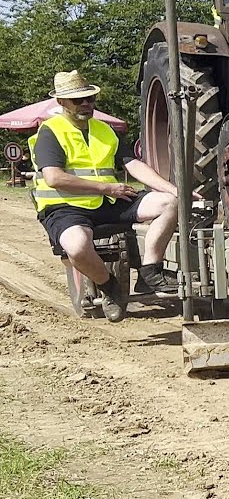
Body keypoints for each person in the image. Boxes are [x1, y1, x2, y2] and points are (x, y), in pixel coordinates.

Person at [30, 71, 189, 322]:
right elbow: (54, 178)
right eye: (78, 100)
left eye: (90, 98)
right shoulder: (51, 132)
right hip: (64, 207)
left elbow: (132, 164)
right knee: (77, 247)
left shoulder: (104, 130)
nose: (86, 104)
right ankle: (108, 285)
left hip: (108, 202)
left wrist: (175, 190)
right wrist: (106, 188)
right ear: (61, 102)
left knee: (168, 203)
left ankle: (150, 272)